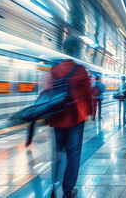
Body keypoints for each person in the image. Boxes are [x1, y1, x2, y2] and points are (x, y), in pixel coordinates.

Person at [46, 59, 92, 198]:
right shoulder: (80, 70)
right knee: (73, 154)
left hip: (58, 118)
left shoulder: (54, 69)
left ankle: (54, 188)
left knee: (59, 153)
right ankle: (67, 192)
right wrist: (90, 112)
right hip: (76, 118)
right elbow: (87, 94)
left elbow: (48, 90)